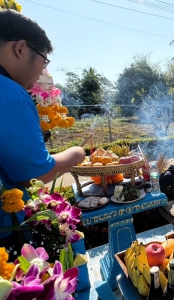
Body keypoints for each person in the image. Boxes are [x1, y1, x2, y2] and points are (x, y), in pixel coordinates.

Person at [0, 10, 86, 247]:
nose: (42, 71)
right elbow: (36, 174)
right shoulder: (11, 94)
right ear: (20, 49)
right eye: (43, 60)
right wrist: (76, 153)